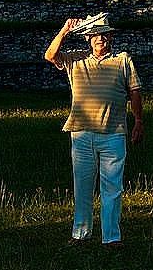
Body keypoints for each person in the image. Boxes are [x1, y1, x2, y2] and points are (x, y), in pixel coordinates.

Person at [44, 13, 143, 247]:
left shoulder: (123, 60)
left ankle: (111, 237)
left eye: (105, 35)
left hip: (113, 132)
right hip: (81, 131)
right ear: (88, 38)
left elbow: (135, 92)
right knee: (83, 187)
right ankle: (80, 234)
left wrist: (138, 121)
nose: (101, 39)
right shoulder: (76, 60)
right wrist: (65, 31)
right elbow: (50, 55)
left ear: (111, 37)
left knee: (112, 188)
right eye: (96, 35)